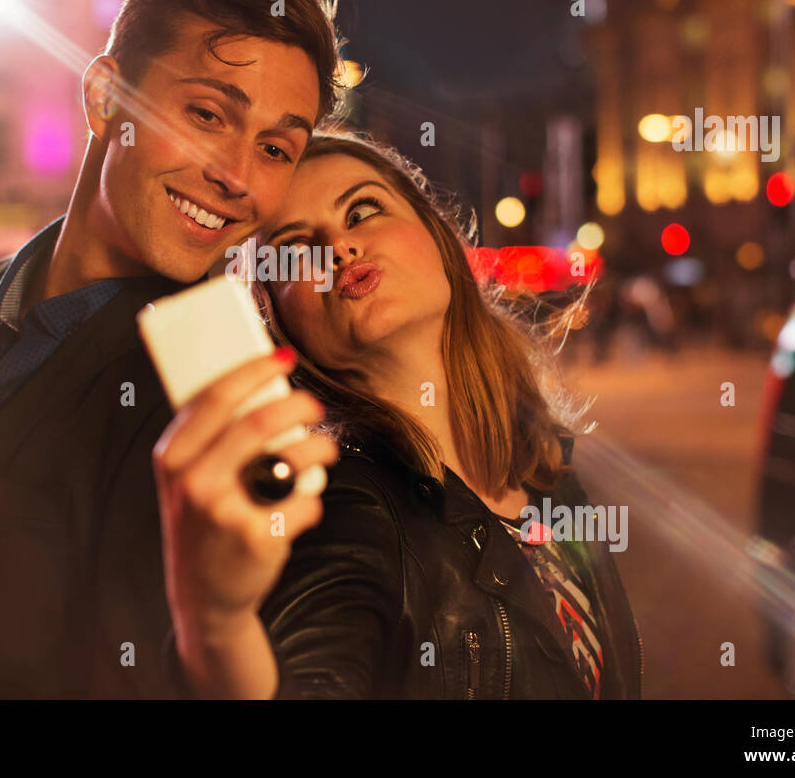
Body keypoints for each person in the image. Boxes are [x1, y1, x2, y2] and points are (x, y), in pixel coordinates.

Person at [0, 0, 344, 698]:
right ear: (104, 97)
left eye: (277, 148)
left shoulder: (219, 387)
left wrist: (220, 619)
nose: (237, 176)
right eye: (208, 113)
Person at [155, 128, 643, 699]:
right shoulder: (344, 512)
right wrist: (218, 626)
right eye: (295, 251)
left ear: (436, 238)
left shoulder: (546, 464)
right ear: (279, 320)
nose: (337, 249)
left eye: (362, 211)